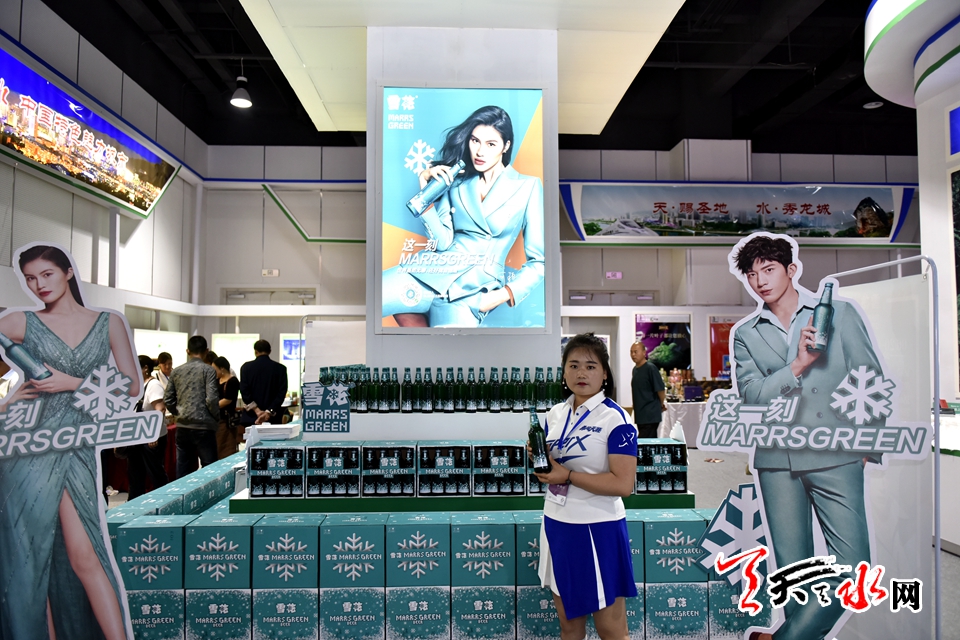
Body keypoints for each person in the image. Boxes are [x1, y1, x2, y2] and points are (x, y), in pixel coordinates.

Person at [730, 234, 883, 640]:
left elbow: (869, 378)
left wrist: (865, 447)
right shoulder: (747, 333)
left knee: (853, 569)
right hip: (777, 460)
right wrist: (797, 364)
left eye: (768, 269)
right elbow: (753, 396)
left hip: (836, 454)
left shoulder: (838, 314)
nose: (760, 281)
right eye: (752, 275)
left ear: (791, 269)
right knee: (795, 575)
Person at [0, 244, 138, 640]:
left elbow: (130, 386)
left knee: (85, 555)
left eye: (46, 274)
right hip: (28, 447)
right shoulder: (19, 322)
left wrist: (71, 383)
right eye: (30, 278)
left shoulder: (108, 322)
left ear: (68, 272)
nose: (38, 284)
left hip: (76, 445)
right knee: (30, 563)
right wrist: (7, 403)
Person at [382, 105, 544, 327]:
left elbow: (539, 261)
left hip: (473, 292)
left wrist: (502, 295)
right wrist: (426, 191)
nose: (480, 151)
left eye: (491, 144)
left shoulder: (527, 186)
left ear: (505, 146)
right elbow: (443, 243)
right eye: (475, 141)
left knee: (449, 350)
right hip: (428, 274)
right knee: (374, 296)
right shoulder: (457, 183)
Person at [533, 333, 638, 640]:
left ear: (604, 373)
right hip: (556, 522)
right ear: (564, 371)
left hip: (598, 527)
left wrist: (567, 475)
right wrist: (541, 460)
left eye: (590, 366)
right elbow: (553, 468)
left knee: (611, 630)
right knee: (568, 625)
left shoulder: (615, 418)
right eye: (574, 365)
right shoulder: (555, 414)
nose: (581, 373)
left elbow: (624, 484)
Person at [164, 335, 219, 478]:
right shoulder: (208, 370)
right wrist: (215, 416)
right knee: (210, 469)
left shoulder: (176, 371)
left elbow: (168, 399)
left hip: (183, 426)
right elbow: (212, 399)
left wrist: (178, 413)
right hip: (204, 426)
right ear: (206, 351)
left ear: (188, 351)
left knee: (183, 469)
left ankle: (182, 492)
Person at [125, 355, 170, 499]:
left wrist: (153, 433)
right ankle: (134, 504)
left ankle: (165, 501)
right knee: (134, 475)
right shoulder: (135, 384)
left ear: (145, 368)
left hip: (151, 438)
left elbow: (160, 409)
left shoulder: (153, 385)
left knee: (155, 473)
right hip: (136, 436)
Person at [239, 340, 289, 428]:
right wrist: (268, 411)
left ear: (255, 351)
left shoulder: (246, 368)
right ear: (270, 351)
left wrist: (257, 410)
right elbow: (281, 393)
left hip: (251, 417)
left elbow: (244, 391)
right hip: (273, 418)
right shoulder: (281, 369)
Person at [629, 341, 666, 438]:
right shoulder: (635, 370)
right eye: (631, 352)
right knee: (644, 442)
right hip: (640, 414)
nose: (633, 354)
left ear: (644, 352)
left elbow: (660, 390)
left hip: (650, 414)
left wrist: (660, 404)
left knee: (646, 442)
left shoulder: (651, 368)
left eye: (635, 352)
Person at [213, 356, 241, 459]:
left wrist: (212, 406)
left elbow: (228, 399)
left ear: (222, 368)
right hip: (216, 419)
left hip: (227, 420)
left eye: (215, 369)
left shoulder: (232, 381)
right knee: (217, 447)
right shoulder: (217, 380)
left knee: (226, 447)